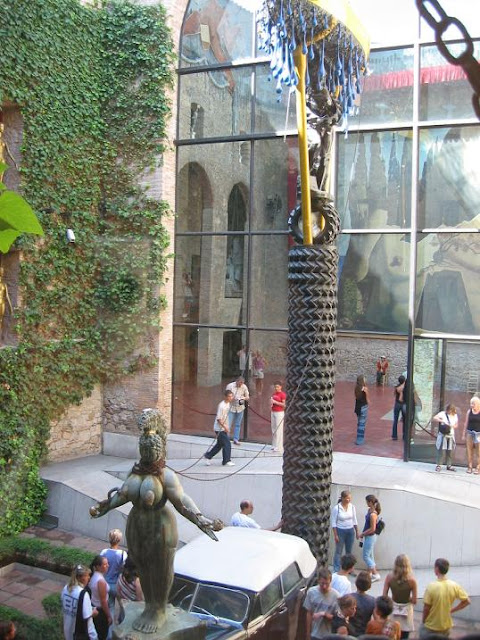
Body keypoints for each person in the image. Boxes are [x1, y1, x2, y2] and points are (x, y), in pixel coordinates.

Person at [90, 409, 222, 634]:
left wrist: (201, 519)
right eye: (144, 448)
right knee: (143, 568)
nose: (148, 452)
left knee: (160, 569)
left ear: (159, 449)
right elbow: (121, 495)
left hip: (161, 527)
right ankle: (149, 605)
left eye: (152, 449)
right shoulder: (135, 473)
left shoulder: (166, 475)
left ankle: (159, 609)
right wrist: (103, 507)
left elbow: (181, 500)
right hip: (137, 526)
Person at [420, 557, 470, 637]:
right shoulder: (454, 585)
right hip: (446, 627)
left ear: (437, 569)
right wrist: (452, 610)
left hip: (430, 626)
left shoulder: (431, 586)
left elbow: (426, 608)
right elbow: (467, 601)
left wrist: (423, 621)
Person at [383, 554, 417, 639]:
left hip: (394, 607)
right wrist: (408, 598)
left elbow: (384, 596)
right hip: (406, 609)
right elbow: (414, 601)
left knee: (392, 632)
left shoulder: (389, 577)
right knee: (405, 634)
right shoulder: (412, 581)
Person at [61, 564, 98, 640]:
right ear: (80, 578)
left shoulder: (65, 588)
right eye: (87, 575)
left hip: (68, 632)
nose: (89, 578)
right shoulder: (83, 594)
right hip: (80, 634)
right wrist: (93, 612)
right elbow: (87, 618)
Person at [304, 568, 339, 640]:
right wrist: (308, 633)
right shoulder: (311, 592)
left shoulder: (336, 596)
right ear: (318, 581)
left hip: (329, 635)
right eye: (322, 583)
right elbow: (309, 613)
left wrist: (324, 614)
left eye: (327, 584)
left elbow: (338, 618)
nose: (324, 586)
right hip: (314, 634)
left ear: (330, 581)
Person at [204, 390, 235, 466]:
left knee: (220, 445)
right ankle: (226, 461)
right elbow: (219, 419)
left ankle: (208, 456)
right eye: (229, 396)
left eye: (232, 396)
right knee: (227, 444)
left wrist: (227, 426)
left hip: (224, 428)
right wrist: (225, 427)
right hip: (219, 429)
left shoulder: (228, 404)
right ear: (226, 397)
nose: (231, 398)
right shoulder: (222, 406)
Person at [331, 490, 359, 573]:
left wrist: (357, 531)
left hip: (350, 530)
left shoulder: (352, 507)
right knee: (338, 551)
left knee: (349, 551)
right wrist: (335, 535)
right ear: (342, 498)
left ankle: (349, 568)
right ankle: (336, 569)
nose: (348, 500)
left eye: (349, 498)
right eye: (346, 498)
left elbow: (354, 520)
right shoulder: (337, 508)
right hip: (340, 530)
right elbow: (333, 522)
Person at [100, 529, 127, 613]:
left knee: (110, 606)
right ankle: (122, 620)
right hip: (118, 585)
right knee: (123, 607)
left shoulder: (104, 552)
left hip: (106, 584)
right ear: (119, 540)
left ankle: (110, 620)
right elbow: (125, 569)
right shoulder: (122, 554)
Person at [358, 494, 381, 583]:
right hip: (368, 536)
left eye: (367, 501)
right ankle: (370, 573)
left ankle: (376, 574)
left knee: (366, 556)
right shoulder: (369, 511)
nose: (366, 503)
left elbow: (372, 529)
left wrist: (362, 534)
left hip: (371, 536)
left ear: (370, 502)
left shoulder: (373, 514)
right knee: (370, 555)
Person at [115, 558, 144, 624]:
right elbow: (139, 600)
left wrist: (121, 604)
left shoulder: (121, 576)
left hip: (123, 607)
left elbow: (118, 593)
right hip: (132, 611)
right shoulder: (137, 581)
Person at [89, 555, 111, 640]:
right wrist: (108, 616)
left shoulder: (93, 576)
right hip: (100, 611)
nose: (108, 566)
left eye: (107, 563)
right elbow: (103, 601)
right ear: (98, 566)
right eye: (105, 564)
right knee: (102, 634)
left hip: (94, 606)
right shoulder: (100, 581)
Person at [432, 404, 458, 472]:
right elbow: (434, 418)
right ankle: (439, 465)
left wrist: (451, 426)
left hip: (450, 434)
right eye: (449, 410)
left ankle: (449, 465)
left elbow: (456, 425)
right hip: (443, 435)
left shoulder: (455, 415)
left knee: (450, 451)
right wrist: (442, 421)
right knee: (441, 450)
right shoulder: (442, 414)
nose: (449, 412)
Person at [349, 571, 375, 636]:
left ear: (356, 583)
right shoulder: (373, 601)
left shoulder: (349, 597)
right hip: (364, 632)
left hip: (350, 632)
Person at [226, 377, 249, 445]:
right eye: (240, 383)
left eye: (242, 383)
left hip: (240, 407)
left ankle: (236, 439)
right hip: (231, 407)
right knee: (228, 424)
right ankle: (226, 439)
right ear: (237, 381)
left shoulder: (244, 387)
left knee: (238, 424)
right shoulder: (230, 386)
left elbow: (247, 397)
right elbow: (226, 396)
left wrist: (243, 398)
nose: (241, 385)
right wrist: (233, 398)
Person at [462, 396, 480, 474]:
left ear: (478, 404)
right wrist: (463, 434)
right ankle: (470, 466)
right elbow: (466, 423)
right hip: (470, 433)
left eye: (473, 403)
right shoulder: (469, 412)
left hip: (478, 434)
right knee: (469, 450)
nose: (472, 405)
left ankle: (478, 467)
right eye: (471, 403)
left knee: (478, 451)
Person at [270, 381, 286, 453]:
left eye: (278, 387)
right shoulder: (274, 394)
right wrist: (271, 402)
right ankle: (274, 445)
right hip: (273, 411)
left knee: (278, 429)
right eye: (275, 387)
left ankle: (279, 446)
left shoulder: (282, 394)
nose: (276, 388)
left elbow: (284, 405)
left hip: (279, 412)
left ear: (280, 387)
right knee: (273, 429)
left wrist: (276, 402)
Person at [354, 375, 369, 445]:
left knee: (359, 422)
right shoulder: (365, 389)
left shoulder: (356, 388)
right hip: (363, 407)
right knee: (362, 424)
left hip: (357, 407)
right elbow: (367, 399)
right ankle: (360, 440)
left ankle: (358, 438)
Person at [391, 375, 406, 441]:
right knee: (404, 420)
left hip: (397, 404)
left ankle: (394, 435)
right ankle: (404, 436)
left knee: (395, 420)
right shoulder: (404, 387)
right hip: (403, 404)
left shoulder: (397, 387)